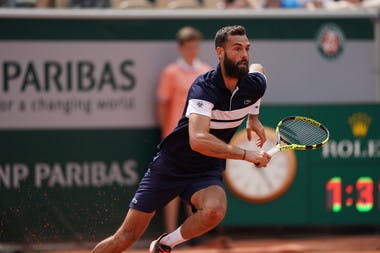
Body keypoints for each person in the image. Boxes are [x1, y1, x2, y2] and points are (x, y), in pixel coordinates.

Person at [91, 25, 271, 253]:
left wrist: (253, 117)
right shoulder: (204, 87)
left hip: (206, 169)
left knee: (215, 210)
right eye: (237, 49)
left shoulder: (254, 84)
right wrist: (246, 154)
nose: (244, 55)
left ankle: (166, 243)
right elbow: (198, 139)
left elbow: (259, 68)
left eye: (247, 48)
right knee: (125, 238)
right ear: (220, 52)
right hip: (171, 165)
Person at [156, 26, 211, 235]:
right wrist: (166, 132)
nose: (193, 51)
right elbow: (162, 104)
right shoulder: (170, 73)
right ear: (180, 48)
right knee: (171, 187)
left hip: (199, 136)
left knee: (197, 185)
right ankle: (169, 234)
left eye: (196, 46)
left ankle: (194, 233)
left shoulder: (205, 71)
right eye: (189, 47)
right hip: (175, 138)